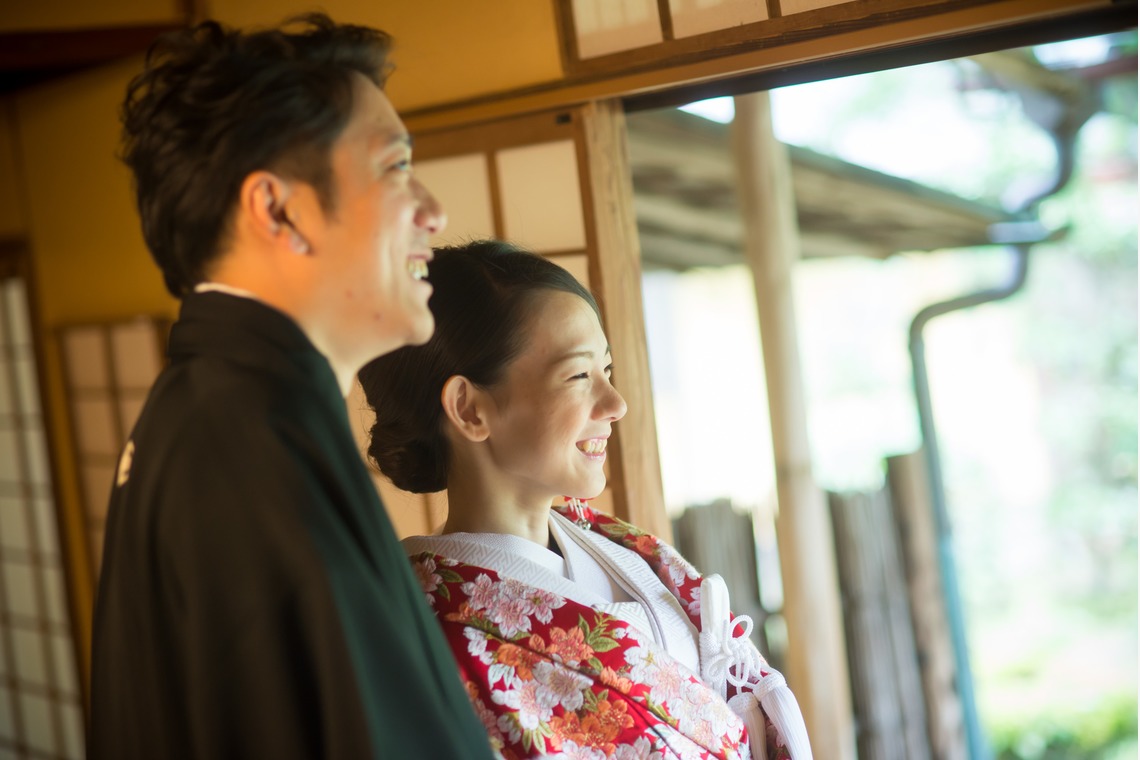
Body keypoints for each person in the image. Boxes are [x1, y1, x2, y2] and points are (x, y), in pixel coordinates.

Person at [89, 15, 495, 759]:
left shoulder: (226, 406)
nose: (433, 213)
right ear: (279, 210)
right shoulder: (243, 445)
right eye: (396, 167)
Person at [358, 240, 812, 759]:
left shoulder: (609, 543)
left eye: (608, 370)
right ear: (469, 408)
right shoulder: (430, 635)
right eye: (578, 376)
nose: (615, 403)